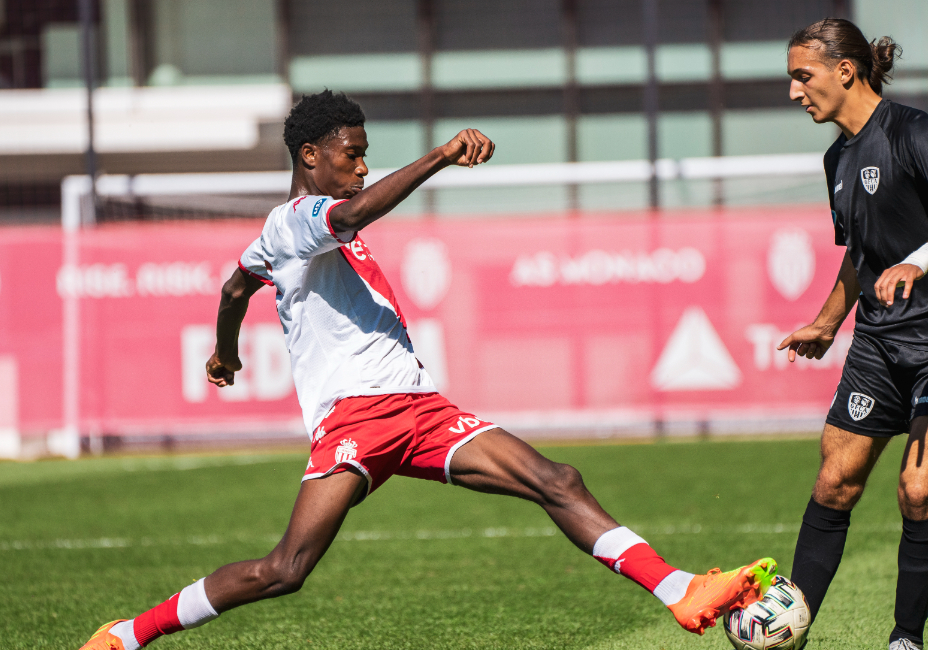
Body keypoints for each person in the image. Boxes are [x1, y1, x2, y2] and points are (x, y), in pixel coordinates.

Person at [78, 90, 776, 650]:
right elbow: (351, 213)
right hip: (356, 418)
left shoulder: (293, 235)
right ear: (310, 155)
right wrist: (440, 155)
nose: (361, 167)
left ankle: (681, 589)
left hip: (419, 409)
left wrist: (226, 351)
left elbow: (236, 287)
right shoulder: (298, 221)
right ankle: (127, 635)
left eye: (366, 156)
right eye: (352, 155)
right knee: (284, 569)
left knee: (556, 479)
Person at [779, 18, 928, 650]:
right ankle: (787, 629)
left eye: (803, 76)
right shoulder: (837, 158)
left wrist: (918, 261)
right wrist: (827, 322)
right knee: (834, 483)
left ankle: (906, 639)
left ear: (845, 71)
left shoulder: (910, 130)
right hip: (879, 341)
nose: (794, 92)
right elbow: (860, 254)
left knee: (918, 490)